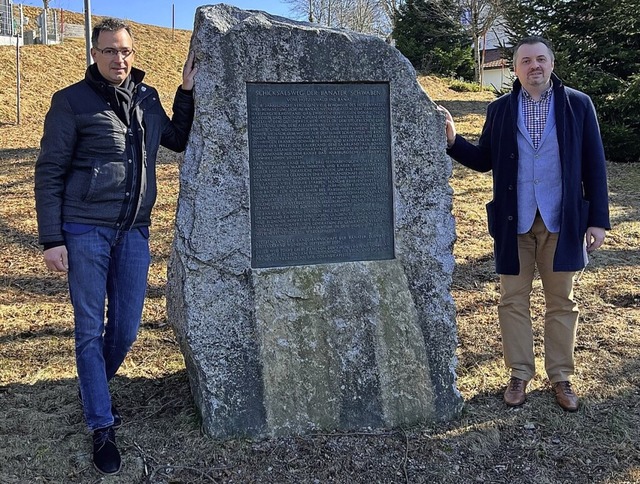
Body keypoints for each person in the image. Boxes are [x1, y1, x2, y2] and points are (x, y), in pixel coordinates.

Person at [34, 18, 196, 475]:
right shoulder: (70, 103)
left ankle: (92, 389)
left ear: (133, 51)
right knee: (89, 329)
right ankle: (101, 424)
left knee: (124, 329)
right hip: (85, 230)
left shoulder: (147, 98)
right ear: (93, 52)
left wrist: (185, 92)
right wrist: (52, 239)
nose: (118, 59)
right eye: (108, 51)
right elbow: (48, 172)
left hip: (134, 232)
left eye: (124, 51)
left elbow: (177, 140)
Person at [440, 36, 610, 412]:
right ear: (515, 69)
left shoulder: (578, 105)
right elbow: (485, 159)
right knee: (512, 300)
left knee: (561, 301)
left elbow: (594, 165)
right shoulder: (500, 109)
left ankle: (561, 376)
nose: (534, 66)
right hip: (513, 222)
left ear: (551, 63)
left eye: (541, 59)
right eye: (526, 61)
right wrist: (453, 141)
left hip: (561, 222)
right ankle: (519, 373)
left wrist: (598, 220)